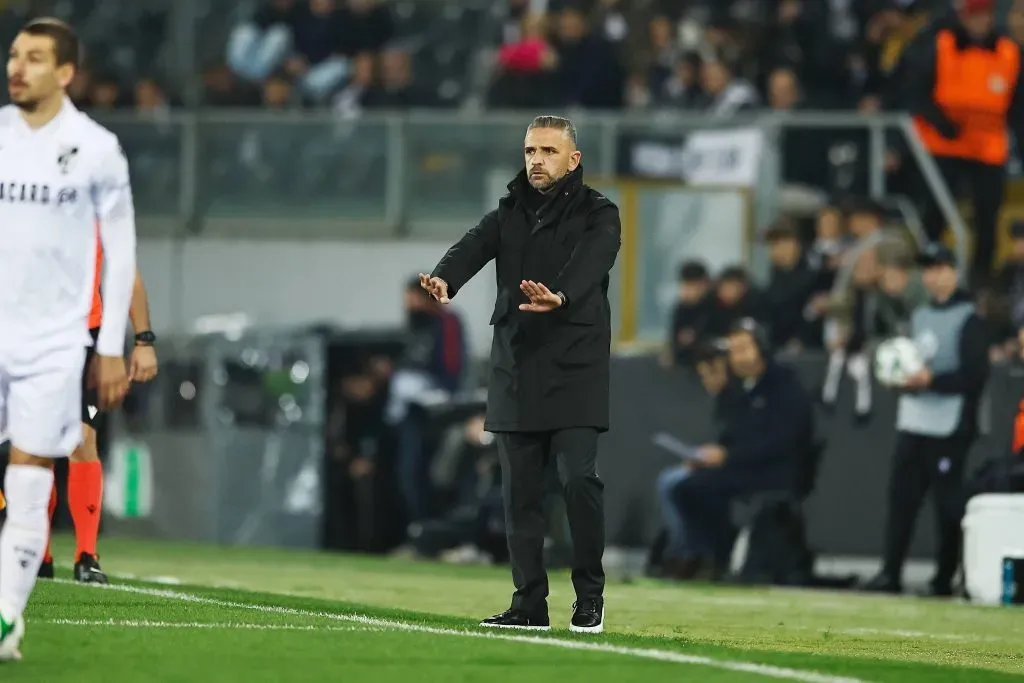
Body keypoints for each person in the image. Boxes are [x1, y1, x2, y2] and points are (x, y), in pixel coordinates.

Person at [419, 115, 620, 634]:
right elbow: (472, 245)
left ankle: (590, 598)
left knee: (579, 481)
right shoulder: (508, 211)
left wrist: (563, 295)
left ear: (573, 160)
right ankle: (528, 603)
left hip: (575, 365)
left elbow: (595, 260)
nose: (536, 160)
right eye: (531, 151)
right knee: (519, 495)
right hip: (517, 365)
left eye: (548, 152)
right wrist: (445, 277)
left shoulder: (601, 213)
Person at [0, 18, 136, 661]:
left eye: (34, 58)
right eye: (13, 55)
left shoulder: (97, 148)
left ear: (66, 73)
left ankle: (6, 617)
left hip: (56, 343)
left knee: (32, 470)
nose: (17, 67)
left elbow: (122, 253)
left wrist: (113, 345)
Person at [864, 243, 989, 597]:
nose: (933, 277)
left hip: (949, 424)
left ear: (953, 272)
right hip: (915, 419)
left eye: (940, 268)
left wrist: (931, 381)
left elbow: (973, 376)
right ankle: (890, 571)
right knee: (901, 498)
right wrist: (901, 382)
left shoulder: (969, 319)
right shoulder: (919, 315)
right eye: (928, 270)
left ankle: (943, 576)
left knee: (947, 505)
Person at [36, 265, 158, 584]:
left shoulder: (100, 213)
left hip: (87, 338)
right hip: (33, 336)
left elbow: (126, 269)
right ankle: (39, 555)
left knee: (81, 440)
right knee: (36, 445)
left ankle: (86, 556)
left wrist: (144, 339)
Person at [668, 319, 813, 580]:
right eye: (734, 351)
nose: (739, 357)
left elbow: (783, 440)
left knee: (697, 488)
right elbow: (730, 435)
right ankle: (705, 556)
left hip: (773, 472)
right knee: (686, 487)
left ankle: (714, 557)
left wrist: (728, 456)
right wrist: (709, 455)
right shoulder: (740, 390)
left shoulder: (785, 385)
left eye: (745, 348)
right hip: (741, 468)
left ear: (762, 348)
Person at [906, 0, 1024, 277]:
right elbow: (916, 91)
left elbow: (1017, 107)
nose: (979, 22)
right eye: (974, 16)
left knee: (988, 216)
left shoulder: (1009, 51)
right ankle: (928, 271)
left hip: (988, 146)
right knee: (935, 213)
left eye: (984, 16)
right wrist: (941, 123)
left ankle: (982, 277)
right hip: (945, 143)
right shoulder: (941, 44)